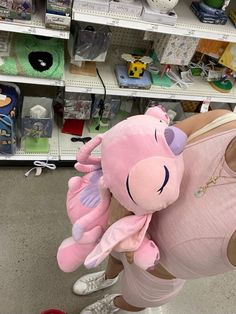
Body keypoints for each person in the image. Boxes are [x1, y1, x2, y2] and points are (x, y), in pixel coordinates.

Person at [73, 109, 236, 313]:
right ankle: (108, 277)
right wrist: (121, 202)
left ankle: (115, 303)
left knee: (135, 299)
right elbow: (150, 144)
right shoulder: (219, 120)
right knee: (115, 256)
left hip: (155, 273)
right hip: (124, 227)